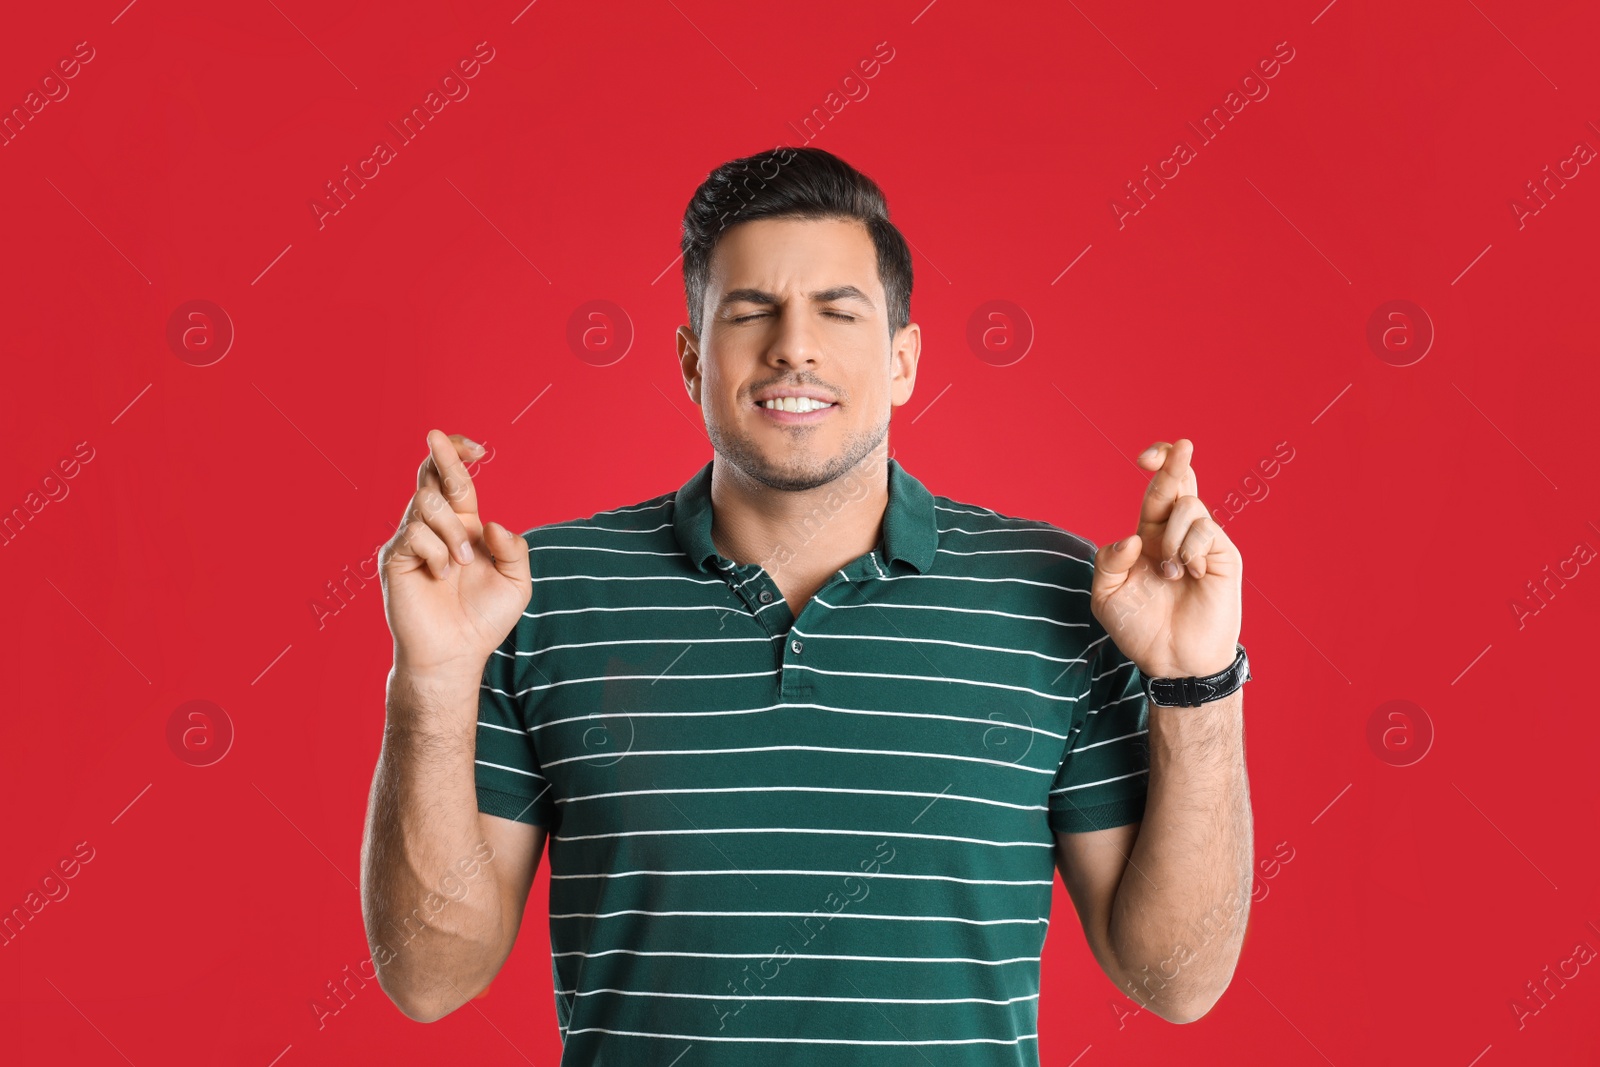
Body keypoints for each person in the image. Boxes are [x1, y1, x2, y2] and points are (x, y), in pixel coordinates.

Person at [361, 146, 1253, 1064]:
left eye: (838, 310)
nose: (795, 343)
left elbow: (1177, 980)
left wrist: (1197, 685)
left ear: (904, 359)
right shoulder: (538, 593)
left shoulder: (1060, 593)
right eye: (750, 312)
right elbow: (429, 976)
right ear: (688, 360)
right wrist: (431, 676)